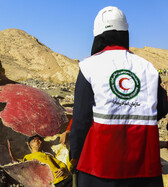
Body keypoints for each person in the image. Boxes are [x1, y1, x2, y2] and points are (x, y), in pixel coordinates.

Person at [69, 6, 168, 187]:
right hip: (144, 169)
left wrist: (74, 154)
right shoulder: (149, 68)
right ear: (125, 33)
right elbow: (161, 107)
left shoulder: (88, 67)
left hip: (99, 169)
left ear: (97, 35)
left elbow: (81, 119)